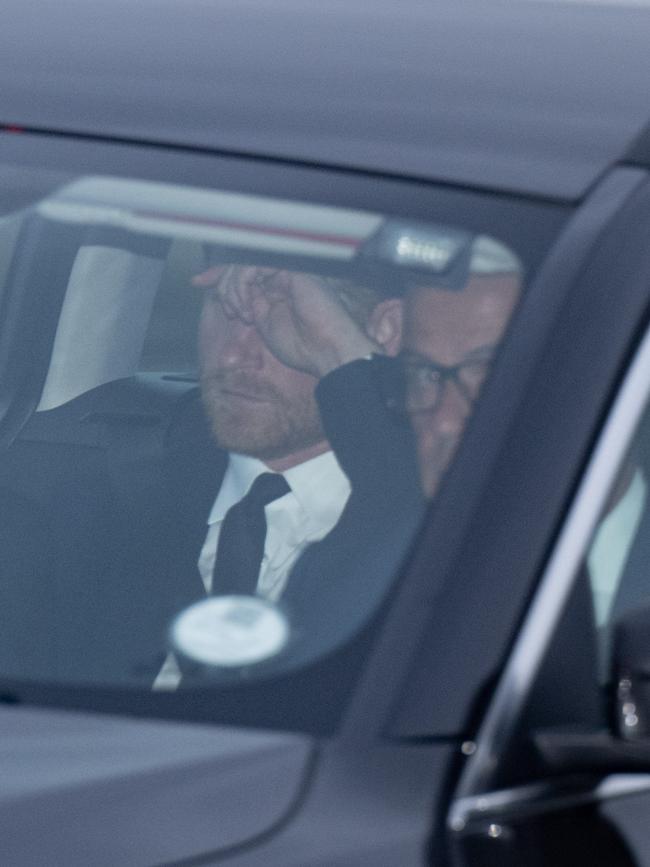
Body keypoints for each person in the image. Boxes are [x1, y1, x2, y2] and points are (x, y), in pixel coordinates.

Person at [153, 262, 423, 686]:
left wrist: (349, 362)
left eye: (281, 313)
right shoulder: (120, 493)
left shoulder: (422, 523)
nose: (231, 356)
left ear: (386, 329)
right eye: (223, 306)